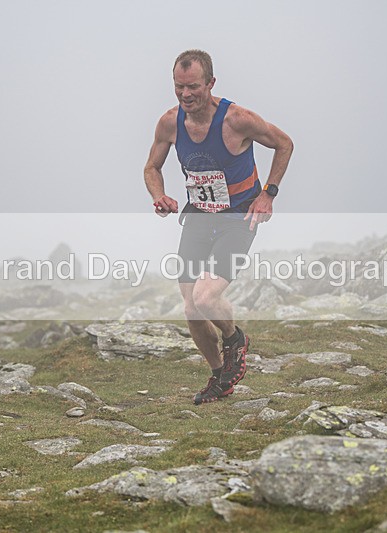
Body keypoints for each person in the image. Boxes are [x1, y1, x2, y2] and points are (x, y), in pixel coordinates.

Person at [143, 50, 293, 405]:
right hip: (198, 215)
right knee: (191, 309)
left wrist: (268, 194)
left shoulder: (238, 119)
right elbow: (152, 167)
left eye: (193, 87)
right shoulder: (169, 123)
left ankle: (234, 337)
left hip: (238, 217)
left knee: (206, 296)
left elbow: (284, 144)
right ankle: (219, 377)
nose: (185, 95)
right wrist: (159, 195)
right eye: (179, 87)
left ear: (211, 83)